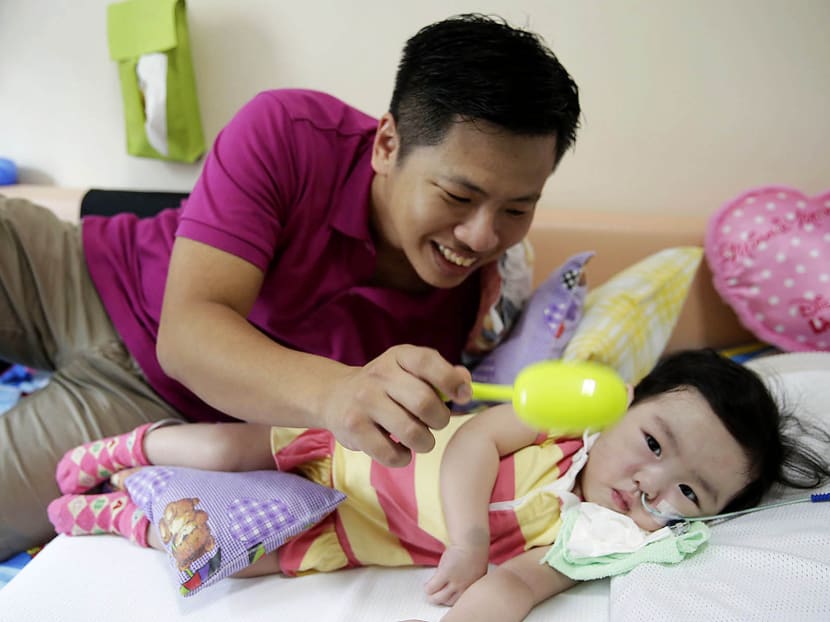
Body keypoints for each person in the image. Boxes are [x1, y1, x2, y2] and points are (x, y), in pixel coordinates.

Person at [0, 13, 582, 559]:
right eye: (458, 197)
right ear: (387, 144)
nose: (482, 237)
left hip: (153, 405)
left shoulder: (462, 313)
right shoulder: (289, 133)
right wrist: (339, 391)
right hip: (85, 272)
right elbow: (189, 331)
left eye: (517, 209)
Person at [47, 349, 830, 620]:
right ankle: (129, 446)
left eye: (690, 495)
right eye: (653, 444)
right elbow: (472, 447)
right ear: (625, 406)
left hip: (359, 531)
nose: (650, 485)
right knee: (225, 447)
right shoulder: (563, 429)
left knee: (230, 551)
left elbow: (515, 588)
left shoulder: (602, 541)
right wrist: (465, 539)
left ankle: (121, 515)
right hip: (360, 450)